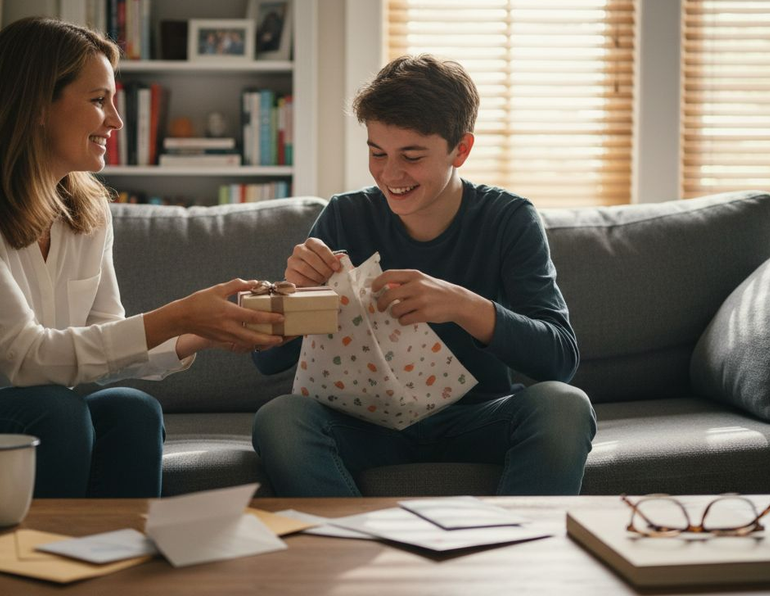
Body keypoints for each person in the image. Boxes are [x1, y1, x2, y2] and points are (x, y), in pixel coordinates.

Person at [0, 17, 284, 499]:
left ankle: (123, 544)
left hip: (30, 412)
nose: (115, 121)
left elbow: (106, 345)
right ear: (35, 105)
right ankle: (52, 545)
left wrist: (203, 332)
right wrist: (178, 314)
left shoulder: (88, 209)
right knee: (56, 410)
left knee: (132, 409)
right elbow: (28, 359)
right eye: (98, 100)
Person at [251, 54, 597, 497]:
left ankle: (519, 539)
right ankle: (346, 538)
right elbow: (267, 363)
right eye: (377, 153)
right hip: (363, 427)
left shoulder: (508, 219)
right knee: (280, 418)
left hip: (478, 420)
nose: (390, 174)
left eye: (411, 156)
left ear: (461, 150)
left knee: (565, 406)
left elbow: (560, 360)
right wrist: (295, 297)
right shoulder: (345, 217)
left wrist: (464, 306)